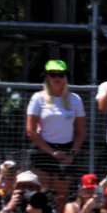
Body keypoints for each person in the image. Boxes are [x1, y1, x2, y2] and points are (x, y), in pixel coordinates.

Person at [25, 60, 86, 200]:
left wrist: (71, 154)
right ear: (47, 77)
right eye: (53, 75)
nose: (57, 78)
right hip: (43, 149)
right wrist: (51, 152)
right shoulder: (38, 98)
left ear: (66, 77)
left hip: (67, 150)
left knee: (61, 196)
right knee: (41, 193)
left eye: (61, 75)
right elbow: (31, 130)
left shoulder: (75, 99)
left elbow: (81, 132)